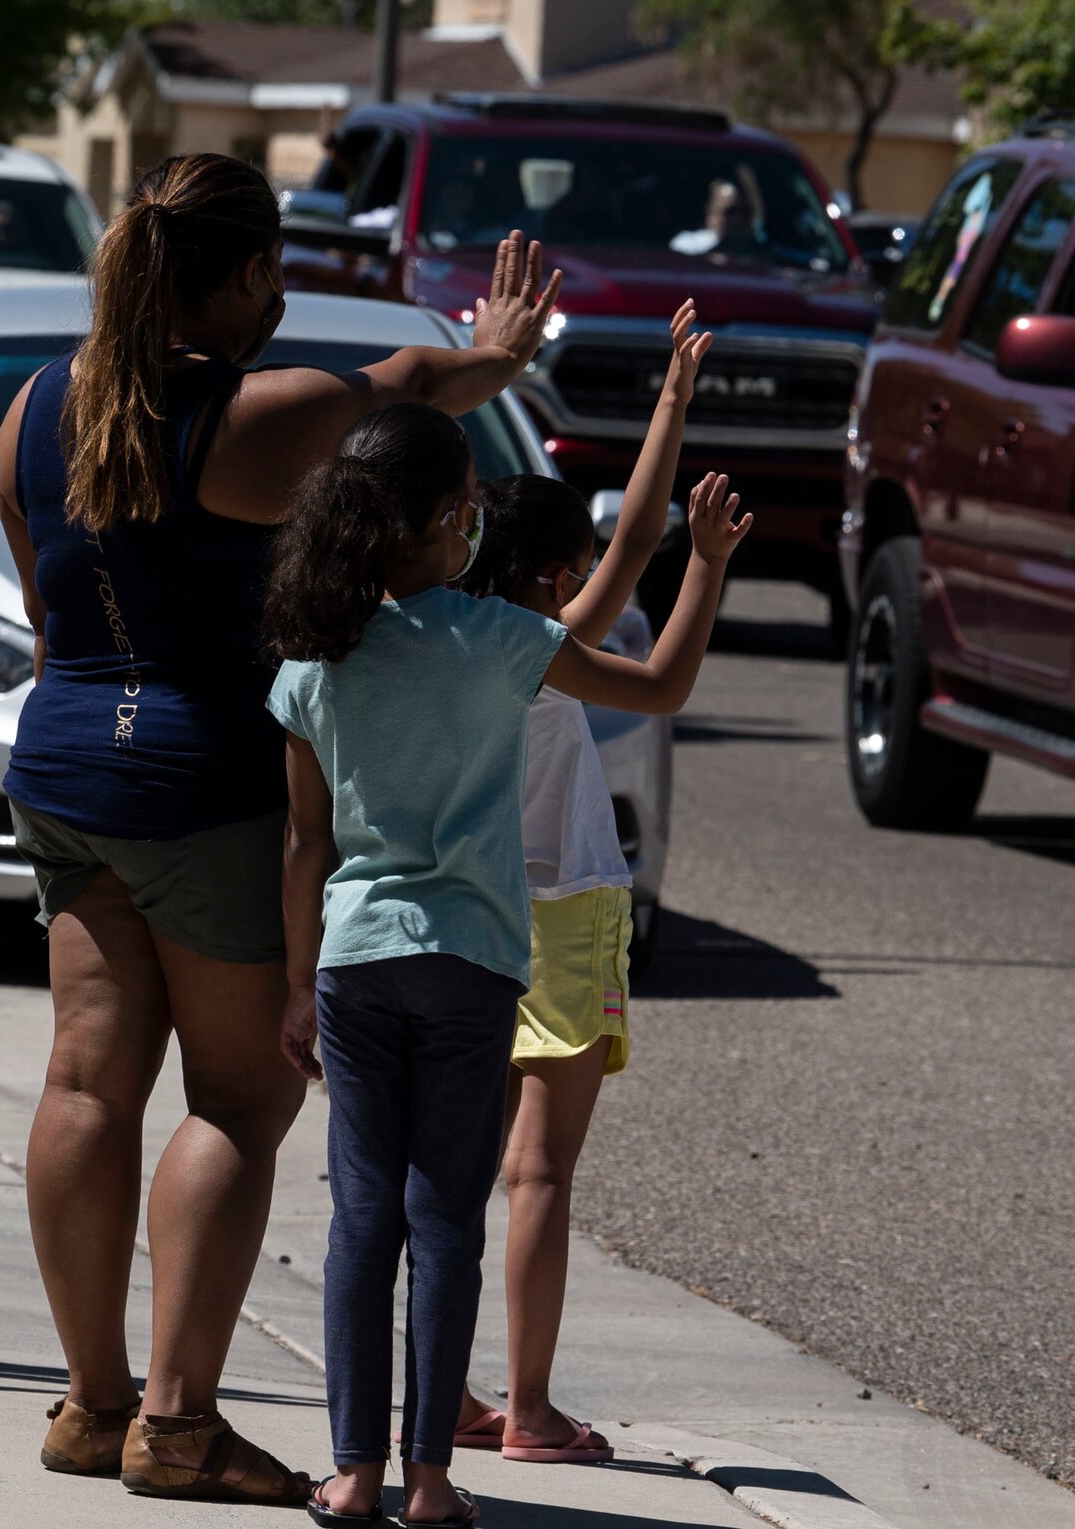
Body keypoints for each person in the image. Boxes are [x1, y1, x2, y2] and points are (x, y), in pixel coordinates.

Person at [0, 152, 562, 1502]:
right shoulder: (250, 419)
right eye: (277, 275)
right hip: (205, 782)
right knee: (241, 1094)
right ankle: (177, 1424)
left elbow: (40, 605)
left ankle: (90, 1401)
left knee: (85, 1079)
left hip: (65, 764)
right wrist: (494, 351)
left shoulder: (30, 412)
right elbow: (411, 399)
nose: (282, 302)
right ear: (244, 272)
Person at [264, 405, 748, 1528]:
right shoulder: (501, 642)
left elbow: (304, 840)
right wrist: (707, 567)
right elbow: (661, 685)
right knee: (444, 1220)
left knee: (358, 1219)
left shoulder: (312, 657)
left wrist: (296, 982)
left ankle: (352, 1471)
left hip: (355, 958)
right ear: (449, 520)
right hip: (475, 960)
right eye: (471, 501)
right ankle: (431, 1479)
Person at [448, 301, 712, 1463]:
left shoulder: (428, 645)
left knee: (445, 1175)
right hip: (559, 918)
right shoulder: (545, 650)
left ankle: (446, 1394)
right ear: (555, 573)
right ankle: (532, 1406)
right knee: (538, 1173)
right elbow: (639, 547)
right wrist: (671, 404)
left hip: (454, 916)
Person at [671, 178, 765, 258]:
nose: (738, 219)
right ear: (710, 214)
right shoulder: (687, 246)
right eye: (730, 212)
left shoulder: (765, 253)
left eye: (746, 212)